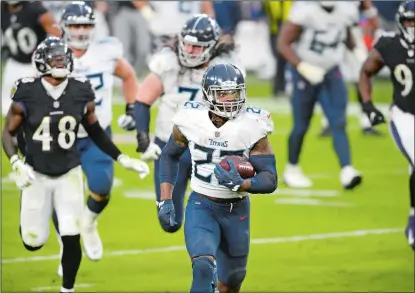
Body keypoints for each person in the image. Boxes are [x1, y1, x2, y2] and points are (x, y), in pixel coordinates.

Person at [1, 36, 149, 293]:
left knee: (71, 235)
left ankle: (67, 289)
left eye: (63, 57)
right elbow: (8, 133)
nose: (61, 62)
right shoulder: (26, 91)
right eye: (55, 58)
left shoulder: (81, 90)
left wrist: (122, 158)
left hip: (69, 172)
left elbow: (95, 130)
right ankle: (34, 218)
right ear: (41, 62)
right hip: (35, 173)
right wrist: (16, 162)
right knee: (32, 241)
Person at [158, 63, 277, 293]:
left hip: (237, 210)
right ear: (208, 94)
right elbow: (169, 156)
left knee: (232, 281)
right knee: (203, 267)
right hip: (202, 205)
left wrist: (243, 184)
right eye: (222, 93)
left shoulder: (252, 125)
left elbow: (270, 178)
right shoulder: (191, 118)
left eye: (234, 92)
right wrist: (165, 199)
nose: (230, 99)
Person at [134, 14, 245, 234]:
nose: (190, 50)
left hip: (209, 149)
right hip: (170, 147)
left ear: (211, 46)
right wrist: (143, 138)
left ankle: (207, 243)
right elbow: (143, 99)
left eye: (197, 47)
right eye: (187, 44)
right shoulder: (168, 61)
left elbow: (236, 111)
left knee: (216, 209)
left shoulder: (225, 68)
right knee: (170, 221)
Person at [53, 1, 141, 272]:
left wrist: (130, 107)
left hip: (97, 133)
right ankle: (66, 248)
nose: (80, 30)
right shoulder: (53, 53)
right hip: (60, 136)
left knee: (101, 187)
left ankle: (89, 224)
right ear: (64, 27)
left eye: (86, 25)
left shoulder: (106, 51)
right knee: (62, 197)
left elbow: (128, 75)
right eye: (75, 25)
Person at [277, 1, 362, 189]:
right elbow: (283, 43)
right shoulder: (304, 10)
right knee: (301, 124)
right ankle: (292, 168)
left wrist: (358, 52)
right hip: (305, 70)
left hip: (331, 70)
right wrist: (302, 66)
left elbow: (346, 35)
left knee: (338, 121)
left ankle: (347, 169)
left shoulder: (346, 9)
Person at [358, 0, 415, 250]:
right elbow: (365, 72)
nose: (413, 26)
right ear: (401, 23)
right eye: (410, 21)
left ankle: (412, 219)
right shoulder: (389, 45)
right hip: (405, 116)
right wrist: (369, 106)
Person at [319, 0, 383, 137]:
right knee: (328, 77)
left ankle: (367, 121)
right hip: (330, 34)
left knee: (363, 76)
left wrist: (378, 30)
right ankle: (328, 122)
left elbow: (369, 10)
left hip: (353, 33)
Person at [1, 0, 61, 116]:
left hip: (34, 65)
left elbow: (57, 32)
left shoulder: (34, 9)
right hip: (13, 62)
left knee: (38, 110)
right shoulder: (3, 9)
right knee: (6, 108)